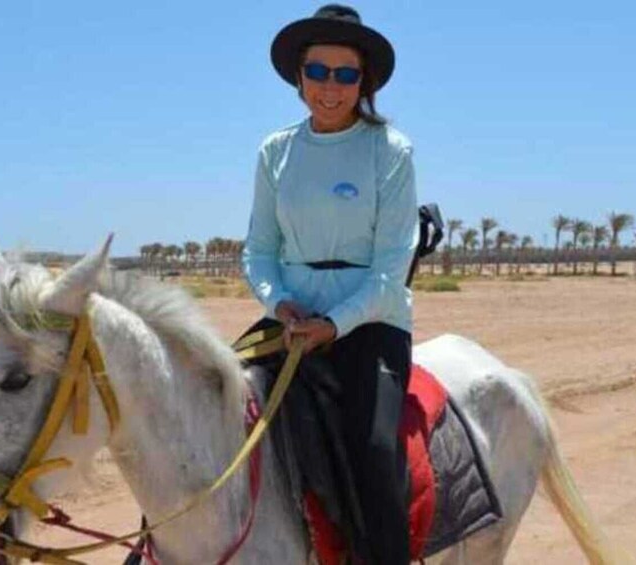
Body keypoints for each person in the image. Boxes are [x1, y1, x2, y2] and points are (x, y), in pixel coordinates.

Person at [241, 5, 418, 564]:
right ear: (299, 77)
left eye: (346, 75)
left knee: (371, 451)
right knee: (201, 402)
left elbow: (392, 269)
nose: (330, 88)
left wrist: (333, 324)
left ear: (363, 82)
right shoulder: (275, 151)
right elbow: (260, 250)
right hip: (289, 320)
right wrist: (279, 303)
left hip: (368, 323)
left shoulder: (390, 152)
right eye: (318, 72)